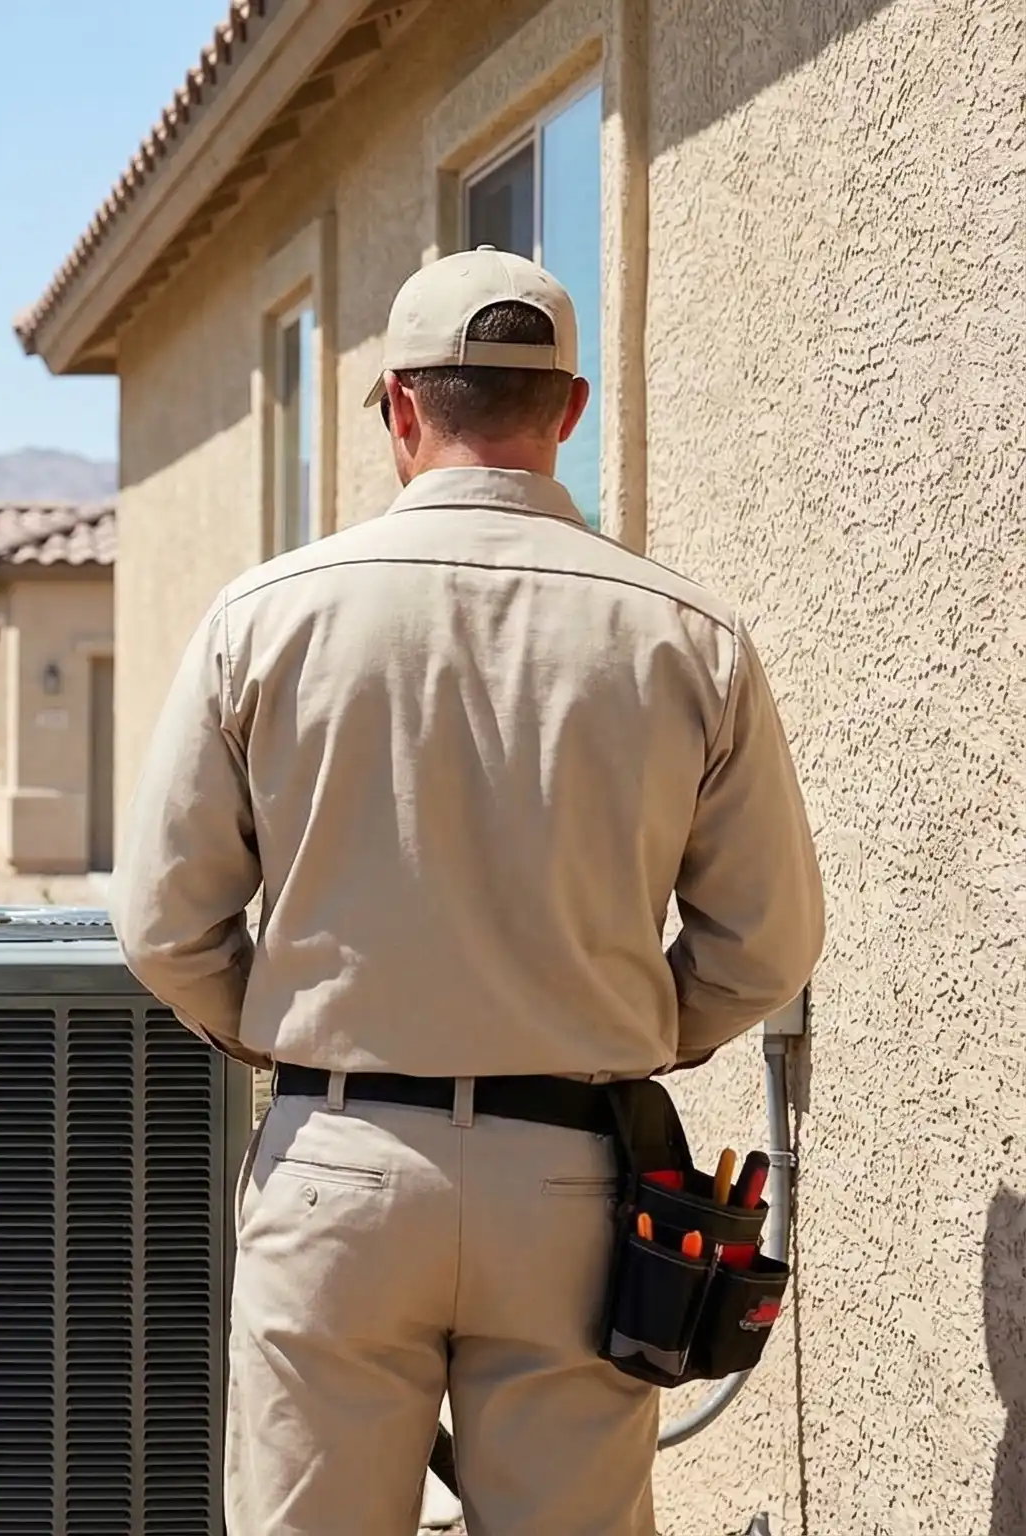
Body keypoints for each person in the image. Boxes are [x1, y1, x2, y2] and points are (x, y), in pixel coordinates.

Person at [117, 247, 825, 1535]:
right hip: (575, 1175)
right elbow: (764, 946)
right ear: (569, 409)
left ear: (396, 405)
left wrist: (268, 1026)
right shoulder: (689, 636)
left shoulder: (265, 618)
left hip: (338, 1162)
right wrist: (619, 1038)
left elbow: (164, 924)